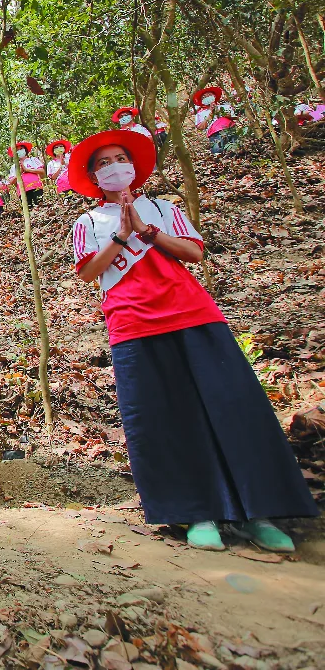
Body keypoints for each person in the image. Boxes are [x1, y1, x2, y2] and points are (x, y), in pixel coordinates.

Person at [69, 128, 316, 552]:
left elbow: (194, 253)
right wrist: (121, 235)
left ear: (135, 167)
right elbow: (90, 272)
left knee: (233, 407)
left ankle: (258, 510)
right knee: (164, 417)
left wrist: (146, 230)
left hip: (192, 311)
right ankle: (195, 510)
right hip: (133, 322)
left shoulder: (164, 208)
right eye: (103, 163)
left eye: (119, 158)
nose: (114, 167)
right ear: (93, 176)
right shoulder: (88, 222)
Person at [192, 86, 239, 154]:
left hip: (230, 128)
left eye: (209, 95)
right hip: (215, 133)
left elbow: (235, 117)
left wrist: (222, 113)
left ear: (214, 96)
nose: (207, 97)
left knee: (235, 150)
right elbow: (200, 127)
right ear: (202, 101)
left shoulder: (225, 107)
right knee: (217, 152)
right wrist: (211, 112)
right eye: (204, 97)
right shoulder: (200, 114)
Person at [7, 142, 45, 207]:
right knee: (28, 208)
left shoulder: (32, 160)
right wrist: (20, 172)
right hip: (22, 190)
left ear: (25, 150)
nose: (19, 151)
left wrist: (27, 170)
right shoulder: (14, 166)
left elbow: (42, 171)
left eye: (21, 149)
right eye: (17, 150)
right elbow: (11, 182)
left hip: (36, 187)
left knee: (40, 205)